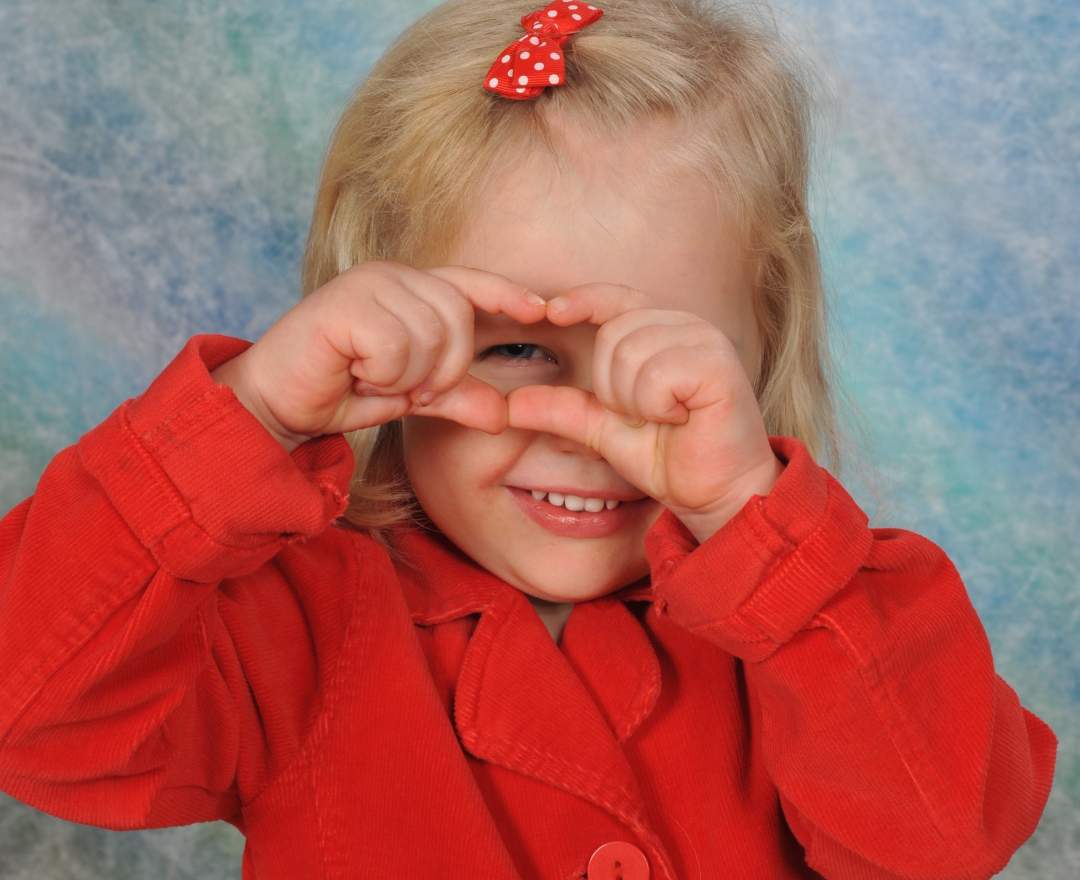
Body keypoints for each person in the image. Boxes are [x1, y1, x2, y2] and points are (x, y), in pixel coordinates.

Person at [0, 1, 1058, 877]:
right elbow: (31, 712)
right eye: (513, 352)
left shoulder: (823, 613)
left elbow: (945, 840)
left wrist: (752, 525)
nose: (589, 432)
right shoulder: (287, 620)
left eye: (660, 365)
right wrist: (249, 414)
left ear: (760, 347)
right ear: (374, 340)